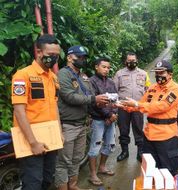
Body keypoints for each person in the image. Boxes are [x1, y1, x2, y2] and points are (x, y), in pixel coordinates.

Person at [55, 45, 108, 190]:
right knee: (63, 161)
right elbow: (69, 97)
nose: (82, 60)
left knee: (77, 158)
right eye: (79, 57)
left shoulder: (83, 76)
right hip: (67, 125)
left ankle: (73, 185)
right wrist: (93, 99)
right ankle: (63, 187)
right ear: (69, 57)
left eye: (84, 57)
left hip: (82, 124)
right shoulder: (63, 74)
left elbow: (90, 94)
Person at [11, 34, 61, 190]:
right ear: (38, 52)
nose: (53, 59)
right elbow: (19, 111)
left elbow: (55, 106)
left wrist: (59, 132)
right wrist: (33, 143)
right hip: (30, 139)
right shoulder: (22, 75)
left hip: (51, 138)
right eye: (50, 55)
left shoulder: (53, 77)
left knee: (47, 179)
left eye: (57, 56)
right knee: (33, 183)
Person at [120, 60, 178, 176]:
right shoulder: (153, 87)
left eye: (161, 72)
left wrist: (137, 105)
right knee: (151, 169)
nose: (158, 75)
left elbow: (162, 106)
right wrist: (124, 105)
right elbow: (141, 103)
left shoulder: (175, 89)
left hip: (166, 136)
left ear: (170, 74)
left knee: (168, 171)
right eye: (157, 73)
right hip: (149, 135)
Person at [113, 52, 151, 162]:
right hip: (123, 108)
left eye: (133, 61)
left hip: (137, 107)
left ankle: (140, 152)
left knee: (138, 129)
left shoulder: (143, 74)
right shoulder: (119, 74)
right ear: (125, 61)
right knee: (123, 130)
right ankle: (124, 151)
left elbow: (148, 90)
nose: (131, 63)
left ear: (137, 60)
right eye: (129, 61)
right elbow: (114, 90)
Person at [87, 58, 118, 186]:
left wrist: (114, 114)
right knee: (95, 147)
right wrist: (109, 115)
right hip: (98, 120)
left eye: (108, 67)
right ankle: (93, 174)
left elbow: (116, 100)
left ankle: (102, 167)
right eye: (103, 67)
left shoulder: (111, 82)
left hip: (111, 120)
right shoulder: (91, 82)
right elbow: (93, 103)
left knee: (110, 145)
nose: (106, 69)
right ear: (96, 67)